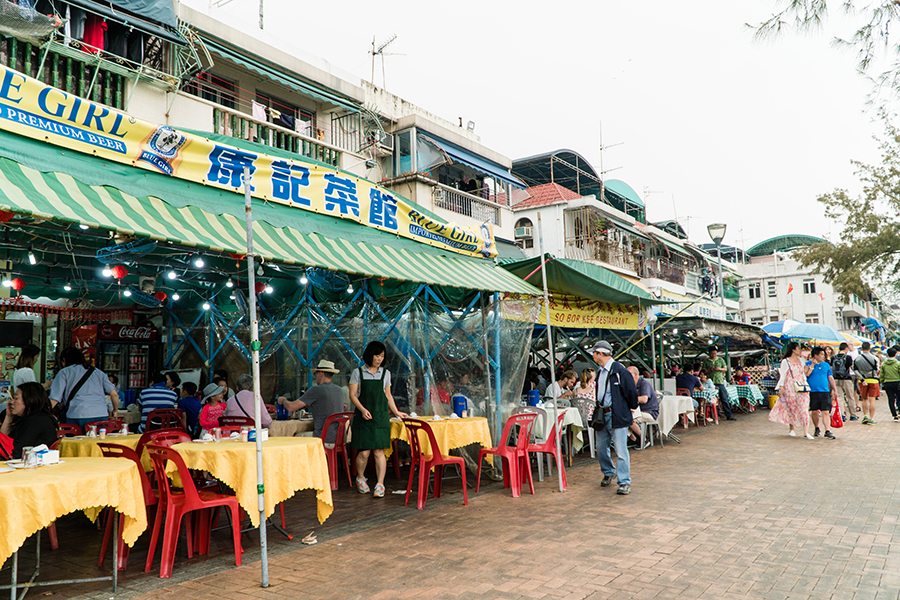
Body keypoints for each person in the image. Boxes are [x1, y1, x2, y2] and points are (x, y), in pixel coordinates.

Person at [349, 341, 407, 498]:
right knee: (364, 453)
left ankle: (380, 484)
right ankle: (360, 478)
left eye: (382, 356)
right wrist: (362, 410)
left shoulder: (386, 374)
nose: (379, 359)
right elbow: (353, 395)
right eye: (377, 355)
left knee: (379, 452)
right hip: (363, 417)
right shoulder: (358, 373)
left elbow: (388, 395)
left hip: (381, 417)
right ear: (370, 355)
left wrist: (396, 412)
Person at [589, 341, 638, 496]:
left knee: (621, 449)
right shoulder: (600, 371)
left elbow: (631, 392)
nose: (593, 356)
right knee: (601, 447)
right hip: (602, 414)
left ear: (600, 354)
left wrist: (628, 408)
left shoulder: (619, 371)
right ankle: (608, 471)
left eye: (594, 353)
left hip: (617, 414)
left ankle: (624, 482)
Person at [277, 359, 347, 442]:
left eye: (315, 374)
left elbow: (291, 407)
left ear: (321, 373)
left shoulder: (316, 390)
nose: (315, 377)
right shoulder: (340, 390)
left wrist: (283, 400)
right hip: (340, 438)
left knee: (294, 437)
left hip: (323, 438)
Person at [49, 347, 118, 429]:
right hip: (101, 415)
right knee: (97, 440)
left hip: (77, 414)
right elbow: (114, 394)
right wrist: (115, 411)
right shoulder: (98, 372)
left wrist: (42, 413)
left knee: (76, 441)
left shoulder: (64, 372)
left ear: (64, 360)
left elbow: (54, 399)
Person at [0, 382, 56, 459]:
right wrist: (9, 416)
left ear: (29, 400)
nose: (12, 402)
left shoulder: (36, 421)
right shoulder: (24, 418)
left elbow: (15, 453)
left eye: (16, 398)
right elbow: (3, 442)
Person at [769, 341, 813, 439]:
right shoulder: (786, 361)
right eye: (799, 348)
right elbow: (783, 375)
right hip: (790, 387)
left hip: (802, 386)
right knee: (791, 408)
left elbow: (804, 374)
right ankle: (792, 428)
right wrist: (781, 387)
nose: (800, 350)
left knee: (804, 408)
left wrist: (810, 367)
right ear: (793, 349)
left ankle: (806, 431)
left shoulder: (802, 360)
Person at [806, 346, 837, 439]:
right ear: (815, 355)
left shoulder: (826, 365)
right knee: (814, 411)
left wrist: (834, 389)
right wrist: (812, 366)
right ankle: (817, 427)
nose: (823, 356)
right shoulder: (807, 364)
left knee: (826, 411)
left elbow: (830, 377)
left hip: (824, 391)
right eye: (821, 354)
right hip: (813, 391)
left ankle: (827, 430)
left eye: (824, 354)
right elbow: (806, 375)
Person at [627, 366, 659, 448]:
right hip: (638, 411)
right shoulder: (631, 385)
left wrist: (630, 400)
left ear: (636, 375)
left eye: (629, 375)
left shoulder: (644, 383)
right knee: (622, 417)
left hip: (650, 412)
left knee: (628, 418)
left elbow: (644, 399)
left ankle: (644, 439)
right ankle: (634, 439)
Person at [703, 347, 735, 421]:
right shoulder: (706, 361)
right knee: (711, 399)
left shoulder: (721, 360)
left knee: (724, 398)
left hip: (719, 382)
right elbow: (703, 371)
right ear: (709, 353)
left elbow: (725, 369)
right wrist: (709, 370)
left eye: (715, 353)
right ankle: (712, 415)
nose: (714, 354)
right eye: (712, 353)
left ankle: (729, 415)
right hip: (710, 383)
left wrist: (719, 369)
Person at [854, 342, 881, 424]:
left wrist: (862, 379)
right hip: (873, 380)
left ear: (862, 348)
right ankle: (871, 418)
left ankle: (865, 416)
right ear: (869, 348)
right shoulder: (875, 358)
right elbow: (877, 370)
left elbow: (855, 370)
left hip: (862, 381)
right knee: (872, 400)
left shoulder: (857, 359)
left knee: (864, 399)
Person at [832, 343, 857, 421]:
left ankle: (842, 414)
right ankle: (853, 415)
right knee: (850, 397)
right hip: (846, 378)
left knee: (839, 397)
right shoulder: (848, 357)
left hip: (836, 379)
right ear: (846, 349)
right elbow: (851, 367)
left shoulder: (833, 357)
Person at [880, 347, 900, 421]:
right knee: (899, 397)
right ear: (895, 354)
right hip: (897, 382)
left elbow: (882, 374)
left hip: (887, 383)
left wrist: (882, 381)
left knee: (891, 399)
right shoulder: (898, 363)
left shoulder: (884, 364)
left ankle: (894, 415)